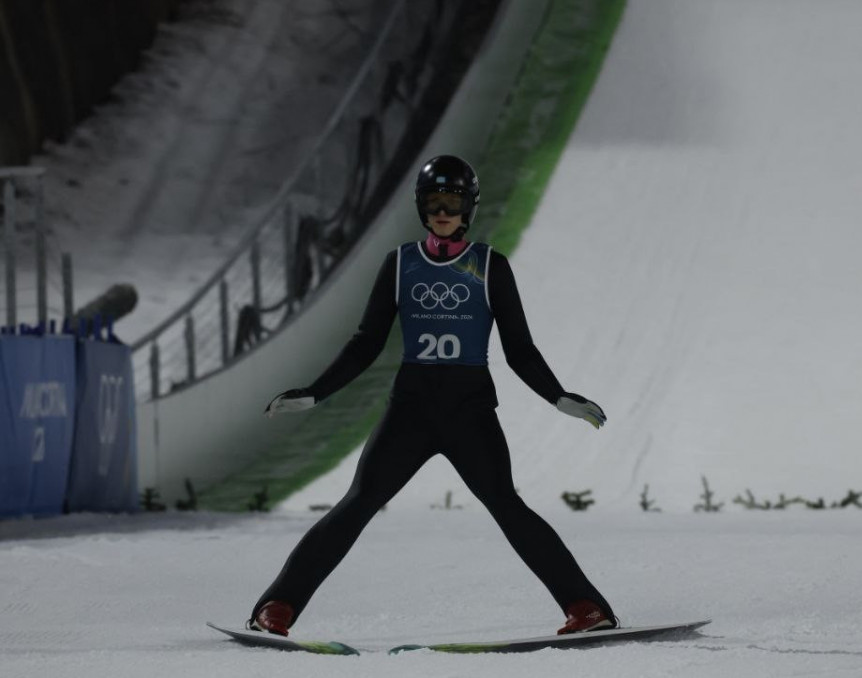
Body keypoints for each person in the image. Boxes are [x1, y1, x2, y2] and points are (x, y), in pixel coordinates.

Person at [252, 155, 617, 637]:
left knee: (506, 506)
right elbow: (366, 342)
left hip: (468, 410)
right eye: (433, 202)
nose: (442, 211)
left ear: (468, 208)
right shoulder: (401, 263)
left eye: (452, 201)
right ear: (421, 207)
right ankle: (277, 606)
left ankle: (587, 607)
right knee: (358, 503)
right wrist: (316, 393)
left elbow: (521, 351)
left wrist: (558, 396)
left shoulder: (490, 266)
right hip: (412, 408)